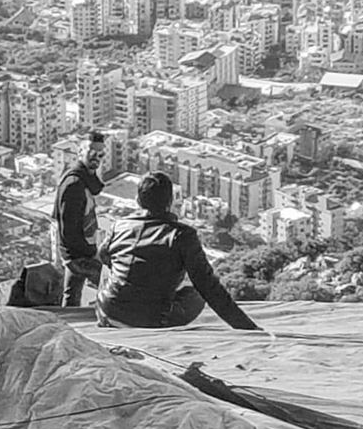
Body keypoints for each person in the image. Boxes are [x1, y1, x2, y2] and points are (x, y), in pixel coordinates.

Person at [96, 171, 261, 330]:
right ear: (171, 201)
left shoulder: (119, 226)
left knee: (111, 273)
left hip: (108, 311)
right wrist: (246, 326)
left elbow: (104, 257)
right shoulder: (182, 235)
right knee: (195, 294)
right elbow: (208, 286)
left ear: (138, 200)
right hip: (150, 319)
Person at [53, 132, 106, 307]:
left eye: (101, 154)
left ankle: (67, 324)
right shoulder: (75, 184)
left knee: (71, 296)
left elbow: (96, 186)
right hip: (78, 254)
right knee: (113, 281)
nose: (96, 157)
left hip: (77, 251)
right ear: (80, 151)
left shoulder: (83, 180)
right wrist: (90, 254)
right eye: (91, 151)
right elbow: (68, 229)